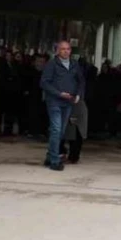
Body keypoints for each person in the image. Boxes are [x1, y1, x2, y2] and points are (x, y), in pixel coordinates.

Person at [40, 40, 85, 171]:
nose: (66, 51)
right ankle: (55, 160)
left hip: (69, 102)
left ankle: (49, 156)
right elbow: (44, 83)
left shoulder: (74, 64)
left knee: (60, 131)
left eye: (68, 49)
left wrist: (78, 94)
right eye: (63, 49)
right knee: (56, 129)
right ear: (58, 51)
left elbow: (81, 81)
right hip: (54, 101)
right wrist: (59, 93)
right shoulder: (52, 64)